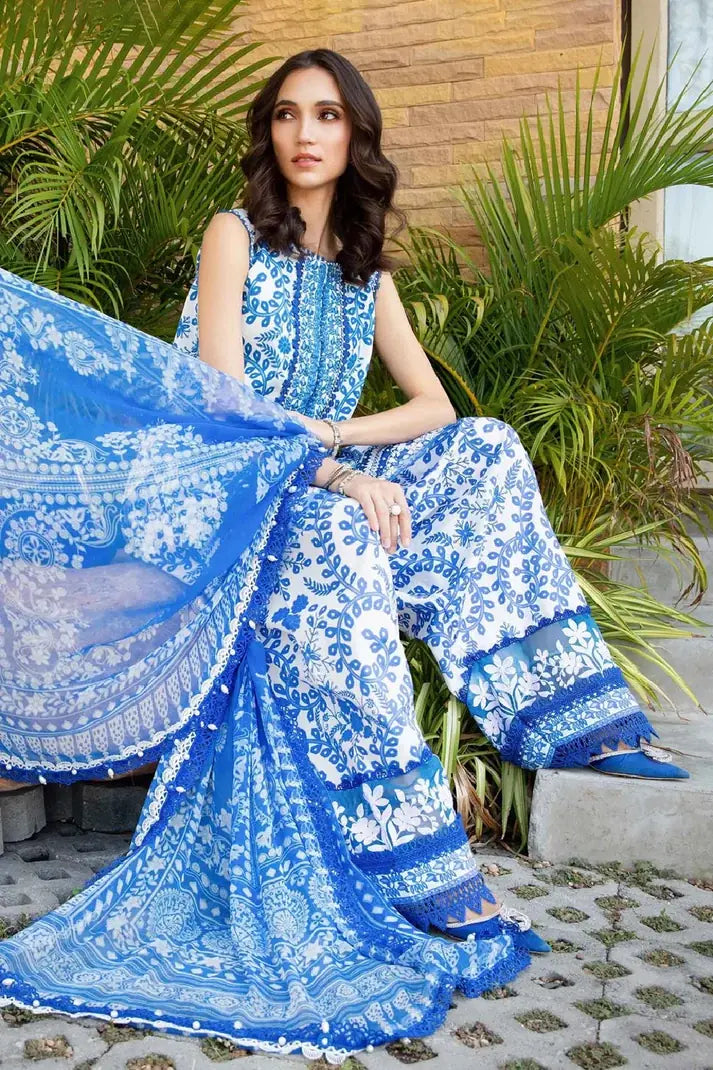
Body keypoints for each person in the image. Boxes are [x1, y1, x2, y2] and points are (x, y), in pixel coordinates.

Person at [0, 47, 687, 1064]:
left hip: (312, 475)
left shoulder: (363, 269)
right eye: (287, 114)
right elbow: (227, 415)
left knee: (486, 447)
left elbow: (433, 407)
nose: (306, 133)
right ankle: (412, 860)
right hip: (235, 509)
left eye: (327, 115)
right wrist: (326, 475)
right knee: (336, 528)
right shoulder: (234, 237)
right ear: (268, 134)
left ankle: (568, 717)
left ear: (356, 136)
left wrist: (332, 443)